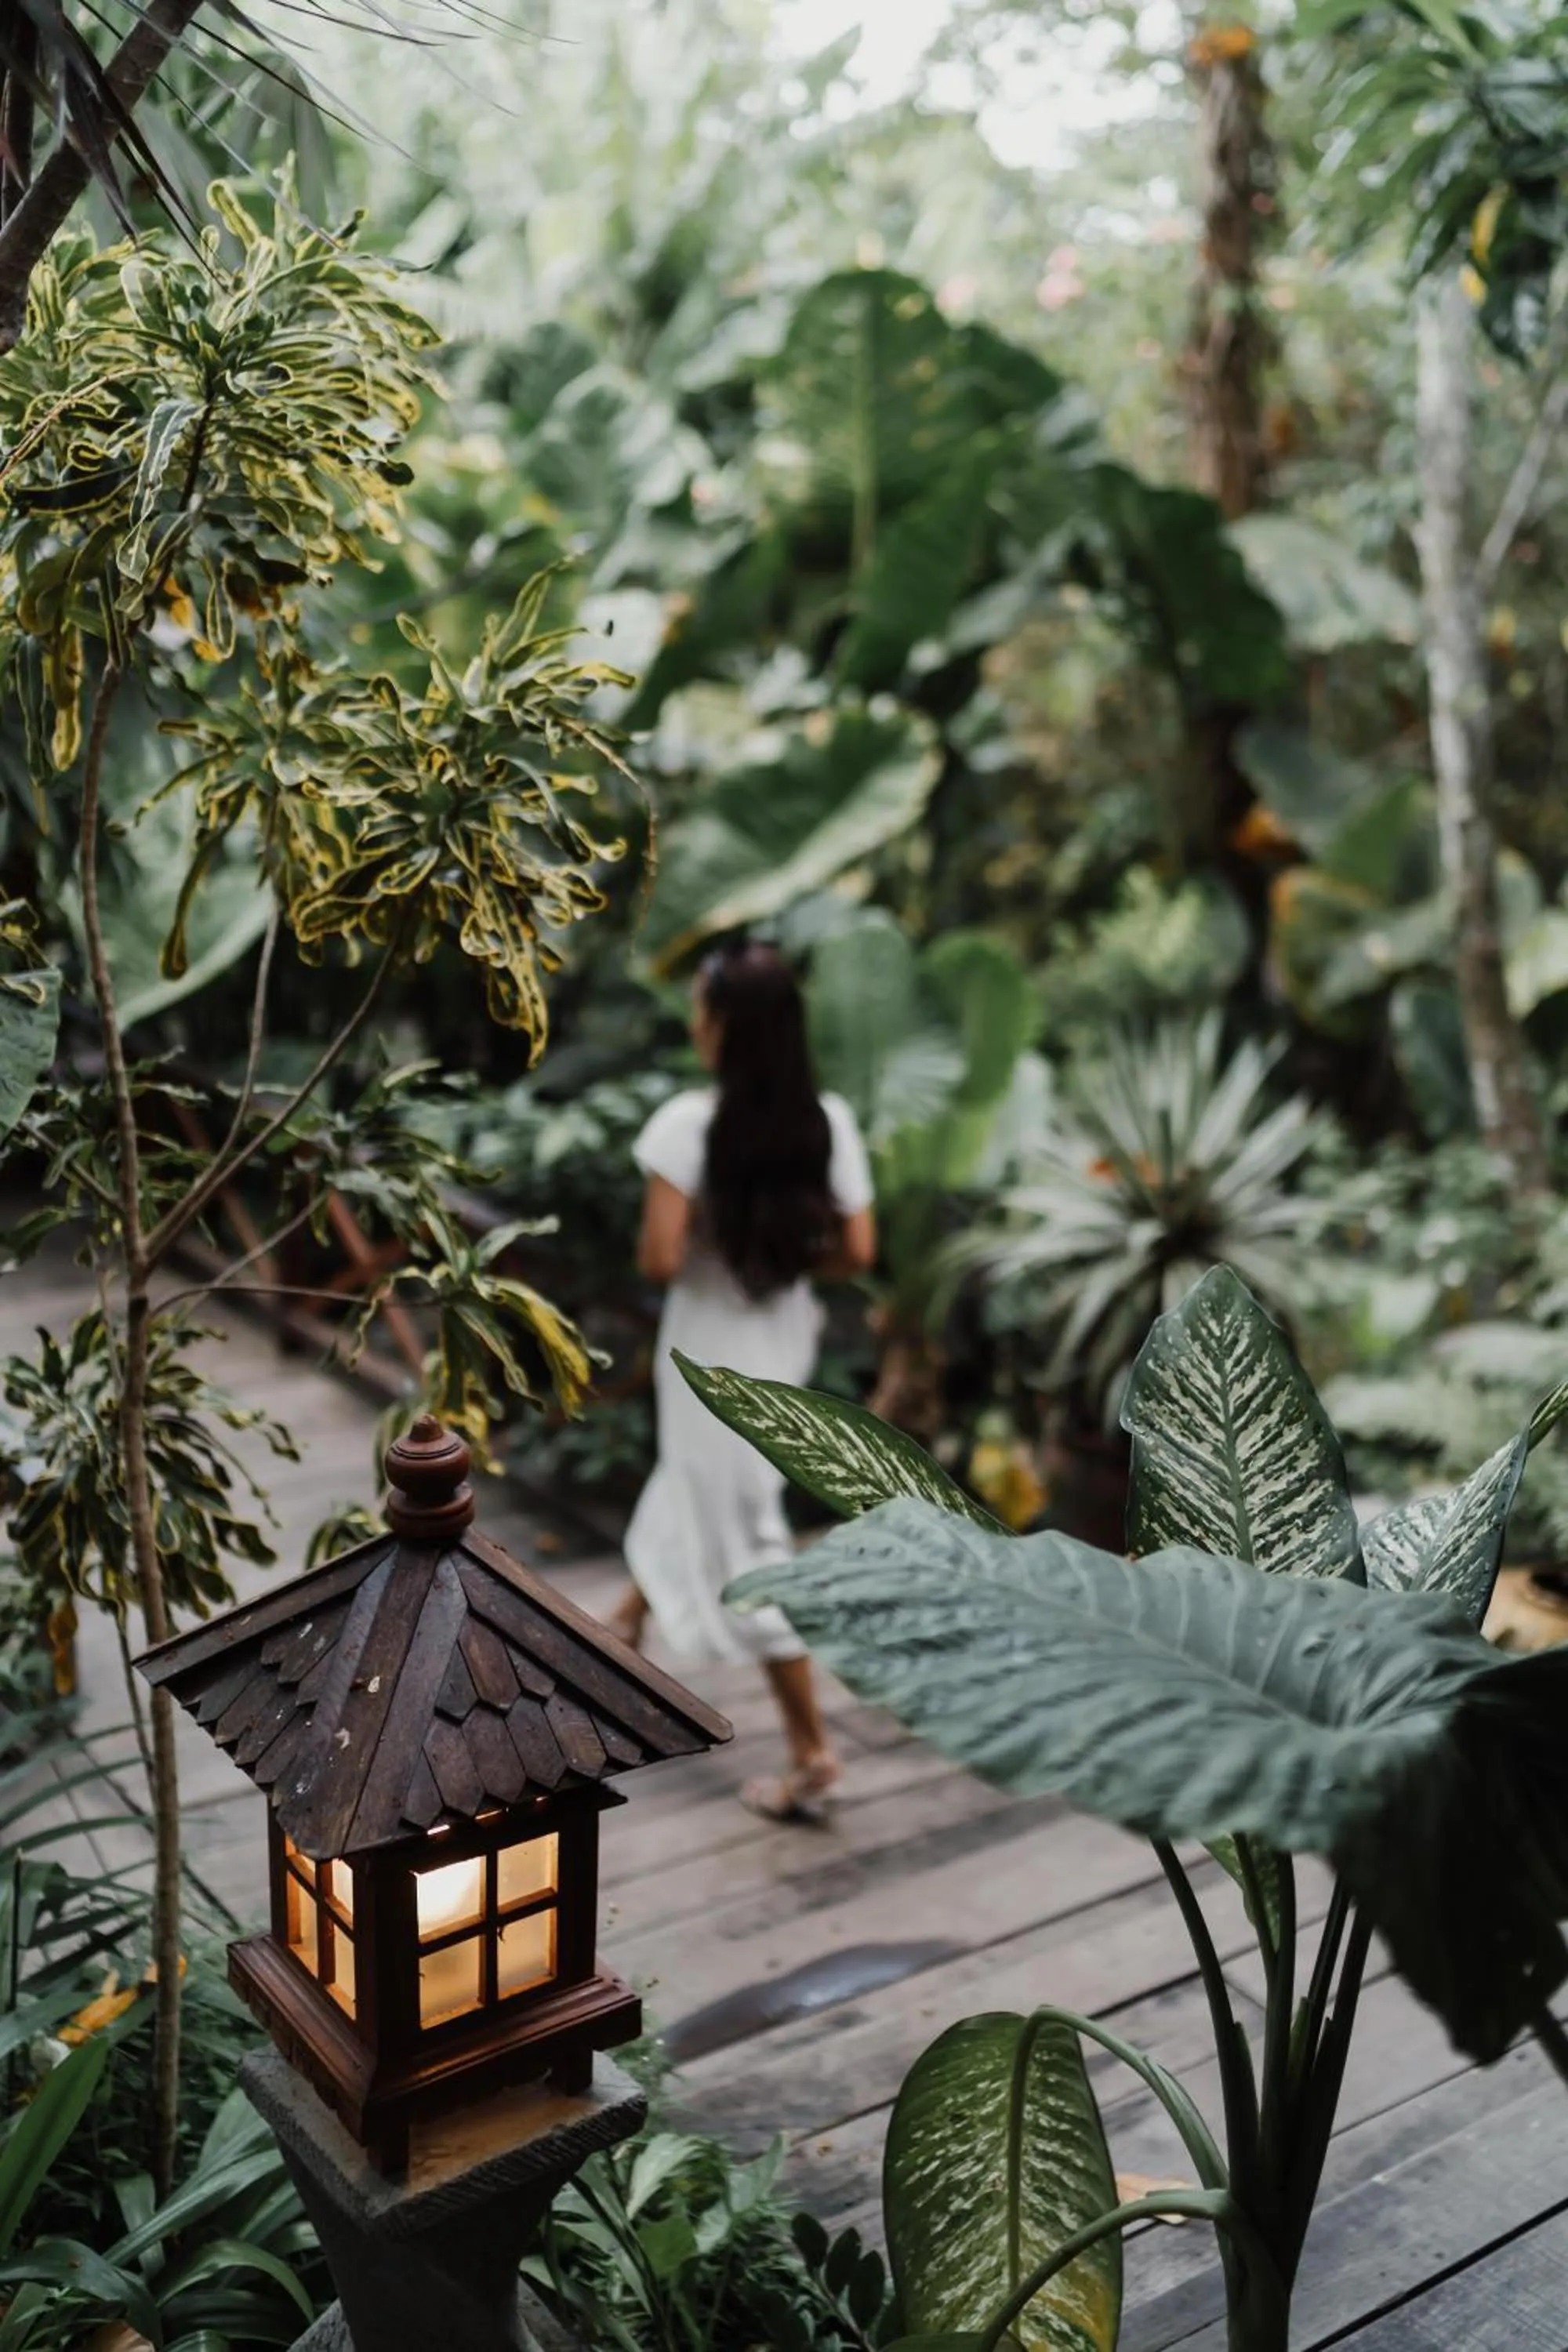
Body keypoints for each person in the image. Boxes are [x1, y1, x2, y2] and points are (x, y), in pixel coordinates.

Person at [608, 939, 877, 1824]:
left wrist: (715, 1249)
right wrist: (776, 1256)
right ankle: (625, 1626)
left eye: (700, 1007)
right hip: (780, 1334)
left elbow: (651, 1257)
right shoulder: (826, 1122)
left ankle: (812, 1750)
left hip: (707, 1337)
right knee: (706, 1483)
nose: (693, 1021)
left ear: (724, 1028)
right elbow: (855, 1252)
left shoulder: (688, 1126)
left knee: (747, 1532)